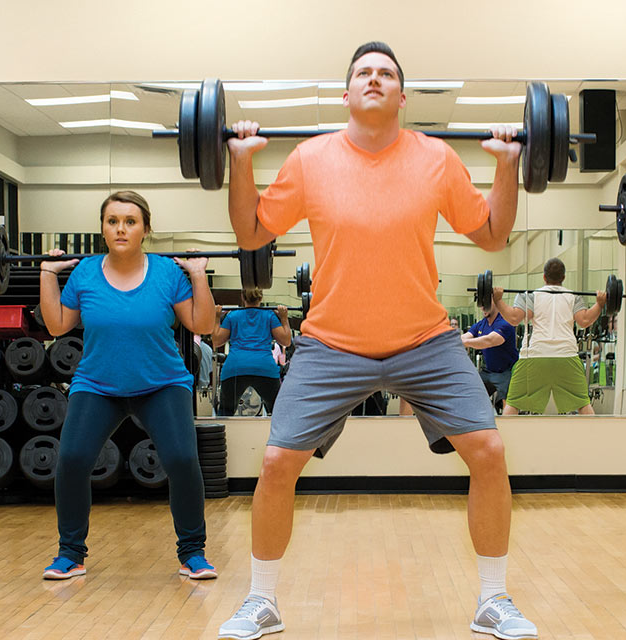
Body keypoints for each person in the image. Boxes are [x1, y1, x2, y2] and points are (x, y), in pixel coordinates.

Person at [216, 42, 536, 640]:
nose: (374, 79)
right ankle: (262, 601)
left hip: (426, 341)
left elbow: (492, 235)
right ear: (346, 93)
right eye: (363, 72)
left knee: (489, 453)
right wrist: (239, 159)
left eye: (386, 74)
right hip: (332, 344)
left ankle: (494, 598)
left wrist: (508, 164)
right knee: (276, 461)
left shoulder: (436, 159)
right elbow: (251, 229)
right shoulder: (311, 160)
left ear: (401, 96)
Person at [35, 190, 218, 581]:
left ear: (145, 229)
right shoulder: (85, 272)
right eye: (112, 221)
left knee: (183, 461)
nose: (121, 228)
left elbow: (202, 325)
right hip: (98, 384)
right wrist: (48, 274)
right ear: (102, 228)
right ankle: (70, 554)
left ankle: (192, 553)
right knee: (71, 460)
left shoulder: (168, 273)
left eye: (130, 221)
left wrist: (199, 274)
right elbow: (56, 326)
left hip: (162, 384)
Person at [493, 258, 606, 415]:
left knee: (512, 404)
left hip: (534, 357)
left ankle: (505, 439)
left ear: (544, 277)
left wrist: (498, 301)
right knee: (583, 404)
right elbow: (585, 320)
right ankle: (595, 439)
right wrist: (599, 304)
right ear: (563, 278)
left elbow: (514, 318)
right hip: (566, 357)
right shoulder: (574, 297)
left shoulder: (531, 296)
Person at [212, 287, 292, 416]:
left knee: (225, 413)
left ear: (242, 297)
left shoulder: (233, 315)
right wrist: (284, 318)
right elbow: (286, 341)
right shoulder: (269, 315)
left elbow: (216, 341)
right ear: (261, 298)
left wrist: (216, 317)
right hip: (264, 368)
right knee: (279, 414)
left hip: (236, 367)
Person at [461, 300, 520, 414]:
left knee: (508, 403)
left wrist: (466, 343)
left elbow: (490, 340)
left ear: (495, 302)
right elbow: (464, 337)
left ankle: (509, 427)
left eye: (486, 304)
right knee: (468, 394)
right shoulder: (481, 324)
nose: (482, 307)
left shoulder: (505, 322)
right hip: (488, 371)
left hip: (506, 371)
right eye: (481, 305)